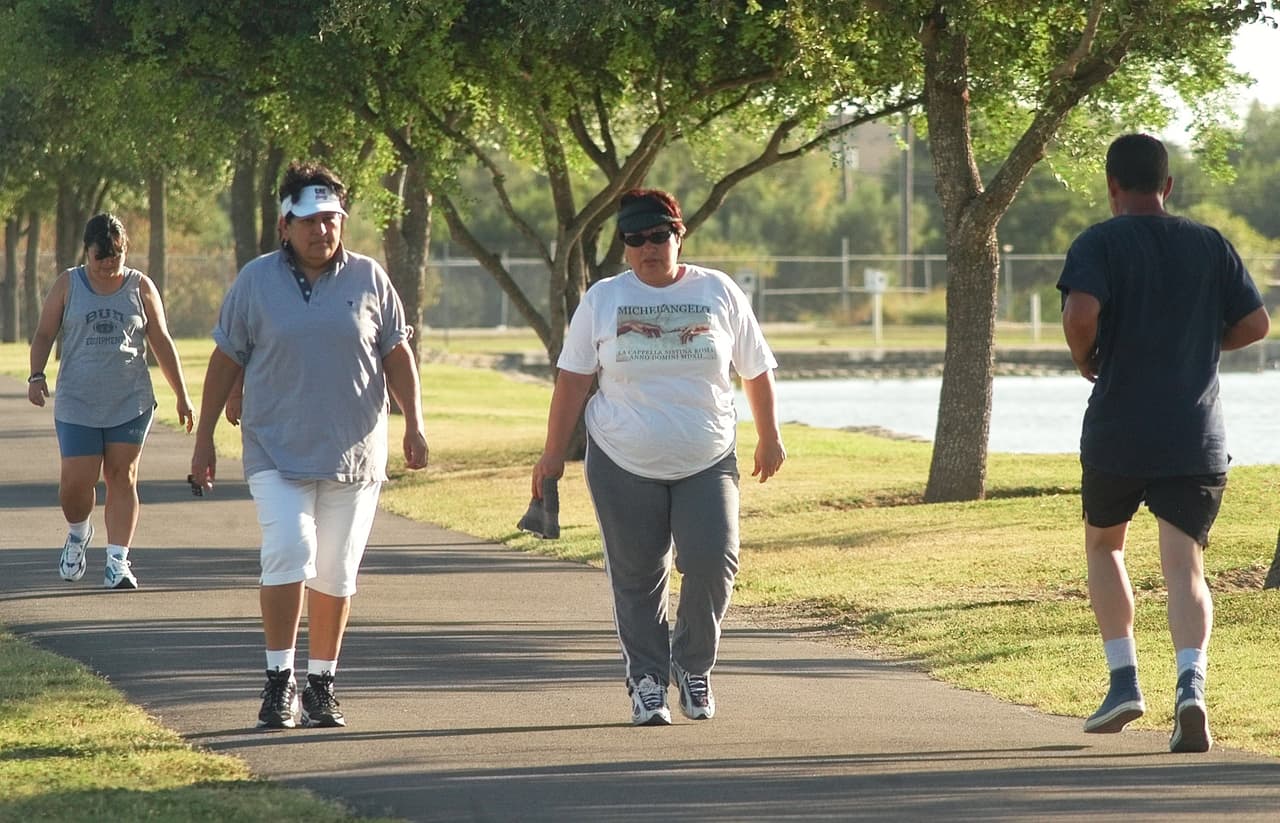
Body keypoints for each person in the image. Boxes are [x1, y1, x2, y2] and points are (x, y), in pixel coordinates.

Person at [532, 188, 786, 725]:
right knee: (638, 575)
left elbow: (756, 369)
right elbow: (573, 381)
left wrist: (770, 436)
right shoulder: (602, 299)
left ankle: (693, 667)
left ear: (679, 234)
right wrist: (553, 454)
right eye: (636, 238)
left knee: (713, 562)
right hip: (622, 458)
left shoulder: (717, 290)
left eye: (659, 235)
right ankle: (647, 681)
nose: (649, 247)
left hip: (708, 455)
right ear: (624, 245)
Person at [190, 161, 428, 730]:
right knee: (289, 550)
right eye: (311, 221)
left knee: (337, 570)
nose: (324, 230)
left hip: (355, 452)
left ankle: (321, 683)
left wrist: (414, 423)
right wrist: (203, 440)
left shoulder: (370, 277)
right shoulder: (255, 280)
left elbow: (396, 354)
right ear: (284, 225)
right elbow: (226, 358)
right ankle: (280, 682)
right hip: (275, 447)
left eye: (333, 220)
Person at [1058, 133, 1269, 753]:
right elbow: (1256, 324)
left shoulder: (1098, 241)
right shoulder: (1208, 244)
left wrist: (1084, 358)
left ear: (1111, 185)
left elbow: (1079, 314)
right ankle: (1191, 688)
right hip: (1194, 430)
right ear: (1167, 185)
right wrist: (1201, 344)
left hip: (1119, 425)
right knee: (1185, 565)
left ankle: (1123, 679)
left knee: (1105, 545)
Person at [27, 213, 194, 590]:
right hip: (78, 402)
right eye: (100, 257)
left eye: (115, 257)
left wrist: (182, 395)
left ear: (125, 251)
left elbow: (162, 342)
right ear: (86, 251)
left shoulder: (141, 287)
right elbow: (43, 333)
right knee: (76, 484)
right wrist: (36, 375)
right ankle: (77, 533)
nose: (108, 264)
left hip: (129, 400)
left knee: (123, 476)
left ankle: (117, 562)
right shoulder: (68, 284)